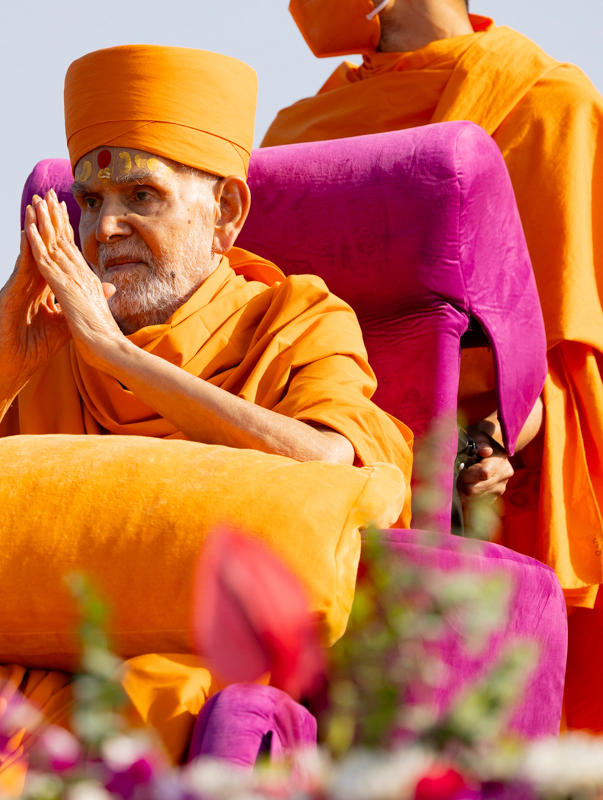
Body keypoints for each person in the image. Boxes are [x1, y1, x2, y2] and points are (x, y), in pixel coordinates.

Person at [0, 44, 412, 788]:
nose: (105, 228)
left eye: (141, 198)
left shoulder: (298, 319)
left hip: (185, 666)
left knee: (149, 700)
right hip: (22, 665)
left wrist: (124, 359)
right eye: (90, 202)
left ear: (226, 212)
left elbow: (328, 466)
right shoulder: (55, 343)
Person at [262, 0, 603, 731]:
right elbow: (267, 338)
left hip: (481, 494)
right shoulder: (297, 135)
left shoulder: (552, 106)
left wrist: (507, 434)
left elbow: (569, 352)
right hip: (322, 489)